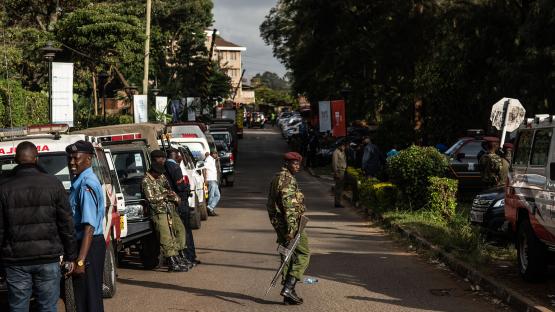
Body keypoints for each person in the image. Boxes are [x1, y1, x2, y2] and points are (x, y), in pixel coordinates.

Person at [0, 141, 77, 312]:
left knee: (18, 307)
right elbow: (66, 222)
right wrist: (71, 255)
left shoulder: (4, 187)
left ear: (15, 160)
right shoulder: (53, 183)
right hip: (48, 258)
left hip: (15, 260)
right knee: (48, 307)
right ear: (37, 159)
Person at [66, 140, 106, 312]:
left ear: (88, 159)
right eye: (70, 159)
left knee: (88, 299)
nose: (72, 162)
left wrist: (81, 260)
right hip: (86, 244)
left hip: (88, 245)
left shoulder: (86, 184)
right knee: (85, 297)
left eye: (76, 158)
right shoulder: (80, 182)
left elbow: (89, 226)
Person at [267, 152, 310, 305]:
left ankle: (288, 294)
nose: (297, 166)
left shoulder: (276, 178)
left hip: (281, 225)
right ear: (287, 164)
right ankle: (289, 287)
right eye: (294, 163)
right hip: (292, 226)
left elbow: (270, 206)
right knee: (304, 254)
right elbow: (289, 208)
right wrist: (292, 231)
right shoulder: (287, 181)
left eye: (299, 163)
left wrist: (276, 224)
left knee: (287, 256)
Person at [148, 150, 189, 271]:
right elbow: (152, 198)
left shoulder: (161, 177)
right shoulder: (147, 181)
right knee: (166, 236)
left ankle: (179, 255)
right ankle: (172, 261)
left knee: (178, 230)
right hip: (159, 211)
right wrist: (165, 195)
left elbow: (169, 190)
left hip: (169, 208)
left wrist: (174, 197)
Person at [166, 148, 200, 267]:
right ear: (174, 156)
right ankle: (189, 257)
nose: (180, 158)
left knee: (181, 231)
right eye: (179, 155)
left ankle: (188, 256)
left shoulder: (166, 166)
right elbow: (180, 186)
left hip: (175, 203)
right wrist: (187, 187)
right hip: (180, 202)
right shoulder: (174, 167)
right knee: (185, 231)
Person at [203, 150, 221, 216]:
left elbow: (218, 168)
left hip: (214, 180)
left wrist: (217, 160)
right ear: (212, 154)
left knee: (217, 195)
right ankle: (210, 210)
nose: (216, 155)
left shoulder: (213, 159)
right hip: (210, 180)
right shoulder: (208, 159)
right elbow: (204, 168)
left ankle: (210, 207)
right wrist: (205, 179)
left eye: (217, 153)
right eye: (215, 154)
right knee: (211, 195)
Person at [332, 142, 348, 208]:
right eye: (343, 146)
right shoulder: (336, 152)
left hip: (343, 171)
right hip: (339, 171)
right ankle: (337, 203)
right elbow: (334, 164)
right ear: (340, 146)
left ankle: (338, 202)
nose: (344, 148)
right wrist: (336, 173)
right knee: (338, 188)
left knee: (341, 188)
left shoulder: (342, 152)